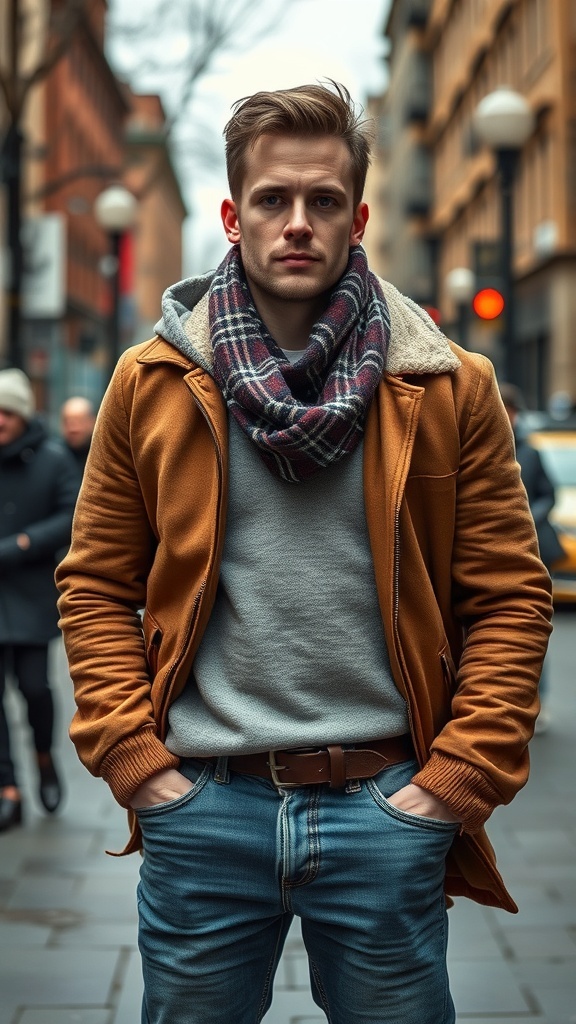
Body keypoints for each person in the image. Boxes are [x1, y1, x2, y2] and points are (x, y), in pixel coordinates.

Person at [56, 83, 552, 1024]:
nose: (297, 223)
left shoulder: (446, 385)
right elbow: (94, 585)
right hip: (204, 808)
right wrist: (138, 765)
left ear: (357, 217)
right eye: (274, 200)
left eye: (323, 201)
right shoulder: (153, 381)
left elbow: (509, 599)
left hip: (386, 809)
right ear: (233, 214)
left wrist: (452, 786)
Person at [0, 369, 79, 832]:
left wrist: (24, 544)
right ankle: (7, 787)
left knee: (34, 688)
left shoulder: (51, 459)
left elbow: (73, 515)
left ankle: (45, 759)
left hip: (29, 596)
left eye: (6, 412)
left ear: (22, 414)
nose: (0, 421)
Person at [500, 382, 563, 734]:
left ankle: (539, 699)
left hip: (535, 546)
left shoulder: (531, 451)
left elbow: (547, 495)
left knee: (533, 623)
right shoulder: (478, 439)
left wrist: (525, 518)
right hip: (498, 549)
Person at [60, 395, 96, 472]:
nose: (73, 429)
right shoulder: (54, 458)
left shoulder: (102, 457)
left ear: (92, 422)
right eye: (68, 422)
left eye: (80, 421)